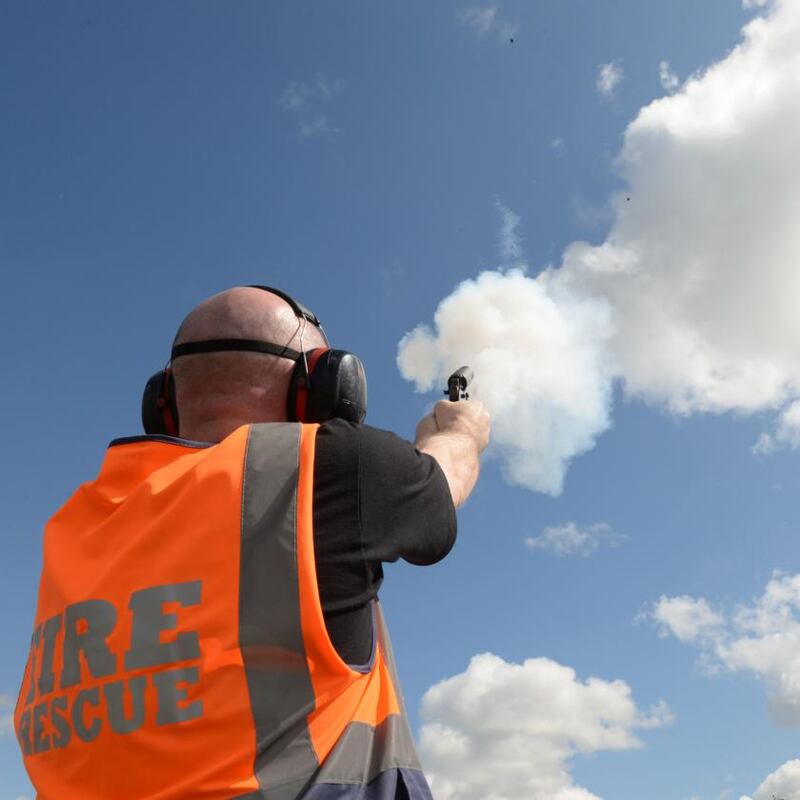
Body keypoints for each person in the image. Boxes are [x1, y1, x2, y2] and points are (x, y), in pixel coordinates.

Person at [15, 286, 490, 799]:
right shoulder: (322, 467)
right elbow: (443, 484)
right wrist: (461, 431)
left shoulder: (77, 522)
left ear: (164, 400)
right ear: (324, 388)